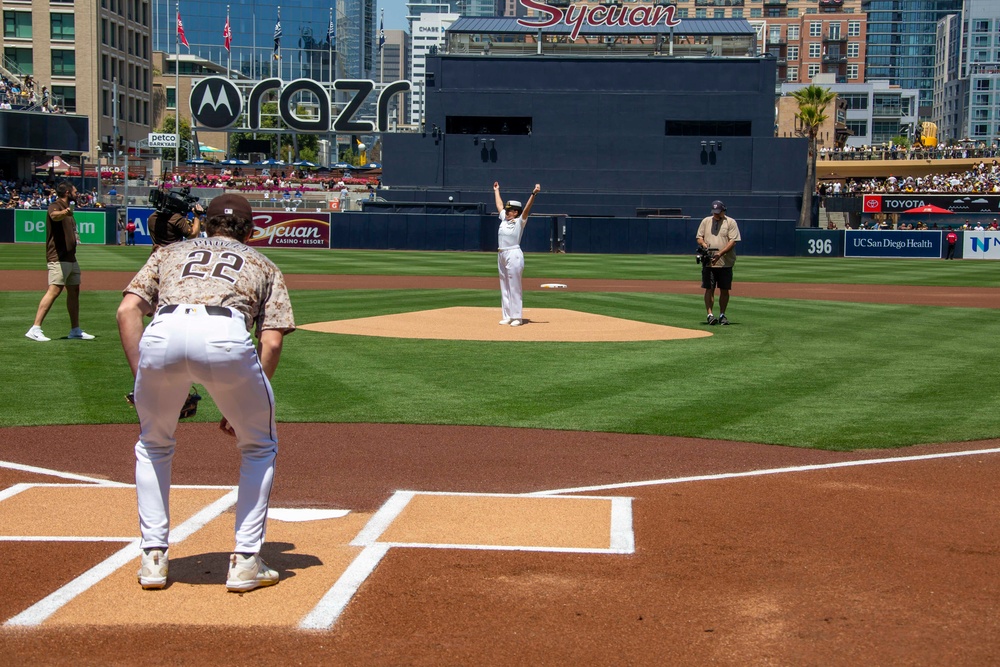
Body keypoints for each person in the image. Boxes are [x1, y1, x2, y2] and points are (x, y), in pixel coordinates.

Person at [116, 193, 295, 592]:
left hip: (163, 331)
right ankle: (247, 560)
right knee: (258, 445)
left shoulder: (170, 253)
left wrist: (142, 380)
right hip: (225, 336)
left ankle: (154, 559)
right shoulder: (264, 263)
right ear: (249, 230)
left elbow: (127, 311)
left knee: (153, 444)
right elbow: (272, 343)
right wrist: (238, 407)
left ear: (206, 223)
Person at [25, 181, 95, 342]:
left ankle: (75, 329)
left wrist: (75, 235)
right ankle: (35, 328)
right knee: (54, 290)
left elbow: (71, 228)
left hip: (71, 258)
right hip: (58, 257)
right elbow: (54, 216)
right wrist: (65, 212)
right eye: (75, 191)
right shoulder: (56, 205)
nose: (77, 194)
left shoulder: (69, 211)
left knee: (74, 291)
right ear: (67, 192)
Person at [492, 181, 540, 326]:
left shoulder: (520, 221)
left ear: (516, 212)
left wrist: (533, 194)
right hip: (501, 253)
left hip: (513, 253)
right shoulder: (504, 219)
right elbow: (499, 205)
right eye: (506, 210)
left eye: (509, 211)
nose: (506, 212)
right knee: (504, 285)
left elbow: (526, 209)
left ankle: (517, 317)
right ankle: (507, 315)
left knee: (514, 285)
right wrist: (496, 190)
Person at [696, 200, 741, 326]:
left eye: (718, 212)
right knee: (709, 288)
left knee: (725, 289)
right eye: (714, 212)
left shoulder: (730, 222)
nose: (716, 214)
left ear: (723, 210)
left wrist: (720, 253)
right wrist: (704, 244)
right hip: (709, 261)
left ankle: (722, 314)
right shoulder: (706, 221)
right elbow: (699, 237)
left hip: (725, 262)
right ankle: (710, 315)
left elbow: (733, 241)